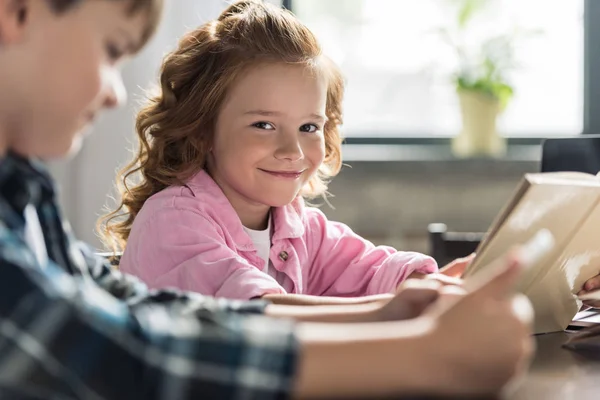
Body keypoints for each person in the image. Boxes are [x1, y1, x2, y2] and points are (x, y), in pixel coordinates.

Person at [0, 0, 536, 398]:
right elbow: (144, 353)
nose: (116, 92)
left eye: (309, 126)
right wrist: (424, 353)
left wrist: (418, 294)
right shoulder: (174, 217)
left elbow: (144, 311)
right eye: (112, 51)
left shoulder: (24, 195)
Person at [101, 0, 470, 303]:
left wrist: (428, 281)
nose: (292, 150)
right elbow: (260, 316)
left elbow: (371, 269)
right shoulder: (171, 220)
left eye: (309, 127)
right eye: (264, 125)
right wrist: (389, 310)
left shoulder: (298, 227)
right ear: (202, 130)